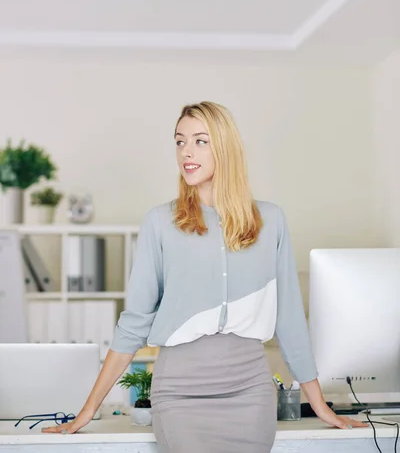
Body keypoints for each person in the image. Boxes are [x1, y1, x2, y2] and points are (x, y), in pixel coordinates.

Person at [43, 101, 367, 451]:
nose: (186, 152)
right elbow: (134, 322)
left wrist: (319, 405)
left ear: (225, 147)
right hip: (181, 395)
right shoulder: (160, 223)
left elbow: (289, 318)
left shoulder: (271, 221)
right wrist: (88, 410)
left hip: (250, 393)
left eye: (200, 141)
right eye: (179, 141)